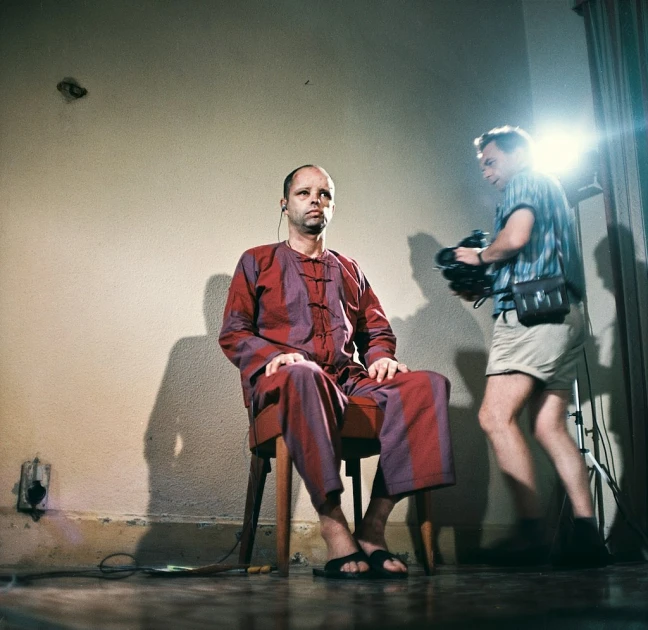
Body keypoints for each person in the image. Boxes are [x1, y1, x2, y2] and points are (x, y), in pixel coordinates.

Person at [219, 165, 455, 579]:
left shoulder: (350, 269)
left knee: (428, 385)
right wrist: (272, 356)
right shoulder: (256, 261)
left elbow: (376, 329)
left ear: (332, 205)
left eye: (324, 194)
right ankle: (334, 529)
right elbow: (234, 332)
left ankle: (373, 528)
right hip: (286, 381)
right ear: (285, 204)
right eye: (304, 193)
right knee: (304, 374)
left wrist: (381, 355)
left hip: (347, 381)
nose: (316, 200)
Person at [454, 126, 610, 567]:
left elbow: (516, 237)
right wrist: (487, 281)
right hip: (563, 313)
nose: (486, 172)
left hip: (533, 316)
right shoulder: (552, 189)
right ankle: (586, 538)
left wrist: (479, 257)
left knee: (494, 416)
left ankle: (530, 536)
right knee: (548, 428)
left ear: (517, 154)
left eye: (491, 161)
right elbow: (531, 250)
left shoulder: (525, 180)